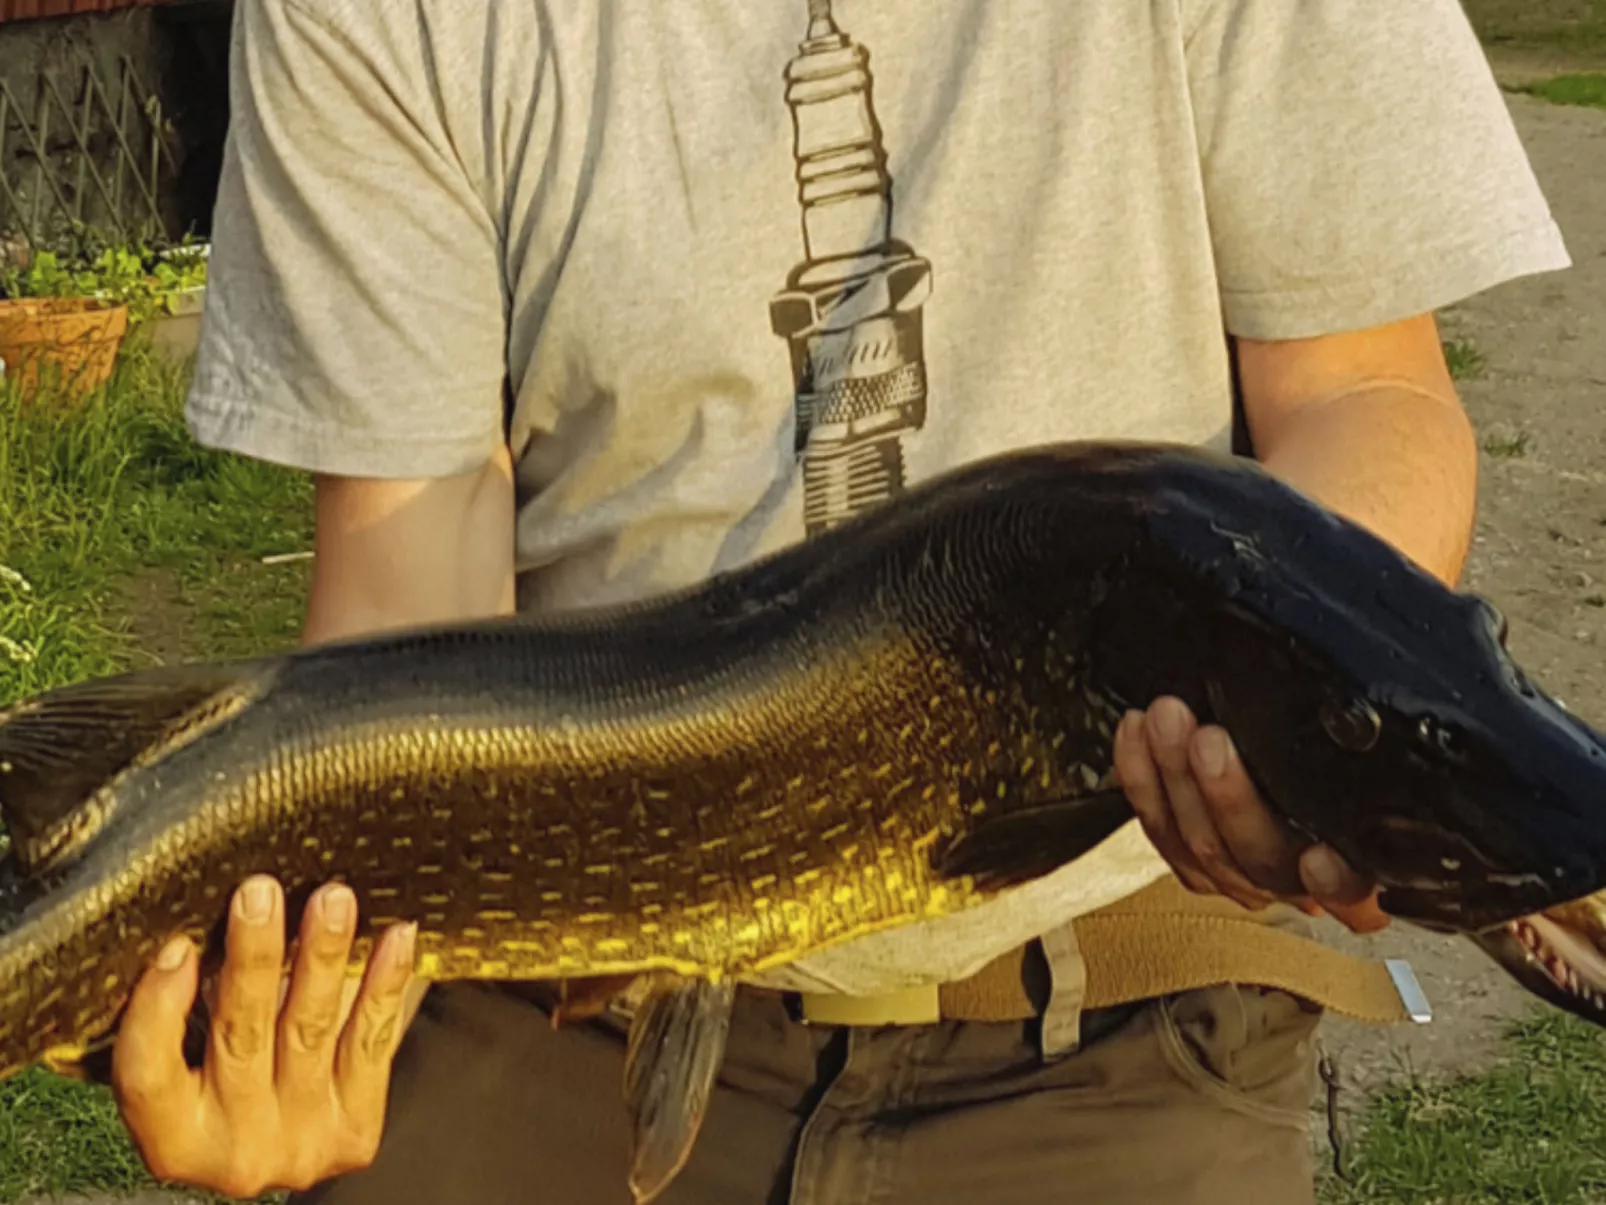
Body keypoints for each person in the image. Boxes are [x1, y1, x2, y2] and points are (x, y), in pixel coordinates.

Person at [107, 0, 1571, 1201]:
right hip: (556, 998)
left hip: (1112, 1001)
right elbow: (411, 583)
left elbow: (1361, 389)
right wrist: (301, 1019)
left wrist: (1300, 723)